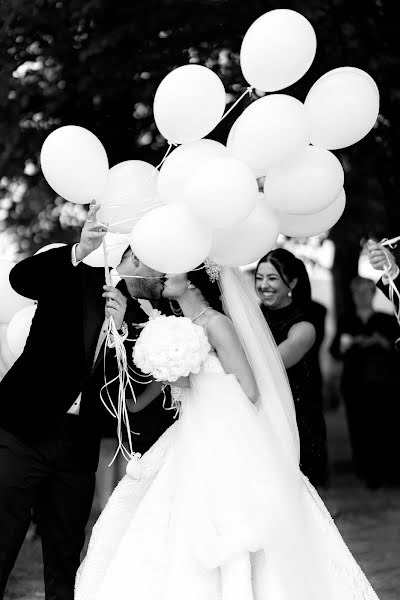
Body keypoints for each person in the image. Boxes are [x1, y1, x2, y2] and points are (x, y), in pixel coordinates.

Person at [75, 263, 379, 600]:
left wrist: (192, 382)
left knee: (232, 519)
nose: (163, 275)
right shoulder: (176, 327)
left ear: (193, 283)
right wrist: (141, 392)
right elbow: (162, 387)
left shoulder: (218, 325)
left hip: (225, 436)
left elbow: (248, 389)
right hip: (188, 433)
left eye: (173, 271)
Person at [0, 203, 174, 600]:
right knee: (3, 538)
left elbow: (135, 383)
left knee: (65, 556)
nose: (164, 275)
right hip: (21, 431)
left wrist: (125, 327)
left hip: (77, 445)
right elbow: (20, 278)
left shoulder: (147, 320)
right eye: (158, 265)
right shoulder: (77, 275)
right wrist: (78, 250)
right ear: (134, 255)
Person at [254, 248, 328, 487]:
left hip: (296, 422)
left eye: (272, 278)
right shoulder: (251, 317)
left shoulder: (304, 326)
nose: (264, 285)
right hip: (259, 417)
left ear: (292, 283)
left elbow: (267, 367)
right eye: (259, 278)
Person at [330, 275, 400, 487]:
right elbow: (335, 351)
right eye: (356, 292)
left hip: (382, 384)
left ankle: (386, 472)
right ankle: (365, 472)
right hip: (354, 384)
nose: (360, 296)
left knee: (384, 427)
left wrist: (382, 342)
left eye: (365, 292)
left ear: (372, 294)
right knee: (358, 429)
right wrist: (347, 345)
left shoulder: (386, 320)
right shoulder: (346, 321)